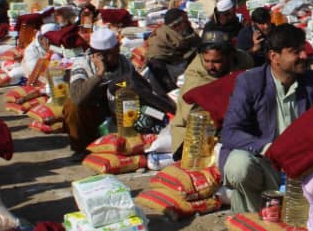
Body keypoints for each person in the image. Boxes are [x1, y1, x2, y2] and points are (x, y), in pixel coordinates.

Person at [220, 24, 313, 212]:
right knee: (239, 166)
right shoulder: (250, 82)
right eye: (295, 52)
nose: (304, 56)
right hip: (264, 162)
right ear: (274, 57)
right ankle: (253, 219)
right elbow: (230, 132)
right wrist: (267, 148)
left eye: (303, 49)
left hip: (302, 163)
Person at [65, 28, 174, 156]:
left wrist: (117, 85)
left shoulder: (123, 63)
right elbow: (77, 97)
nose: (111, 57)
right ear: (96, 55)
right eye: (105, 54)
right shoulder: (82, 64)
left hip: (117, 111)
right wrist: (99, 74)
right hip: (92, 111)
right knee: (72, 106)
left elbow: (141, 86)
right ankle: (81, 148)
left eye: (113, 52)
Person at [170, 27, 254, 153]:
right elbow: (194, 114)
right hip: (197, 132)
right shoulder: (196, 73)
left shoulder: (243, 61)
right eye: (207, 61)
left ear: (230, 56)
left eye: (216, 61)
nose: (210, 66)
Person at [145, 8, 202, 95]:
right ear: (176, 25)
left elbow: (199, 47)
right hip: (166, 78)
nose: (188, 23)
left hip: (182, 68)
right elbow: (160, 73)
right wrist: (174, 92)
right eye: (185, 21)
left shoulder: (185, 32)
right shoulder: (159, 43)